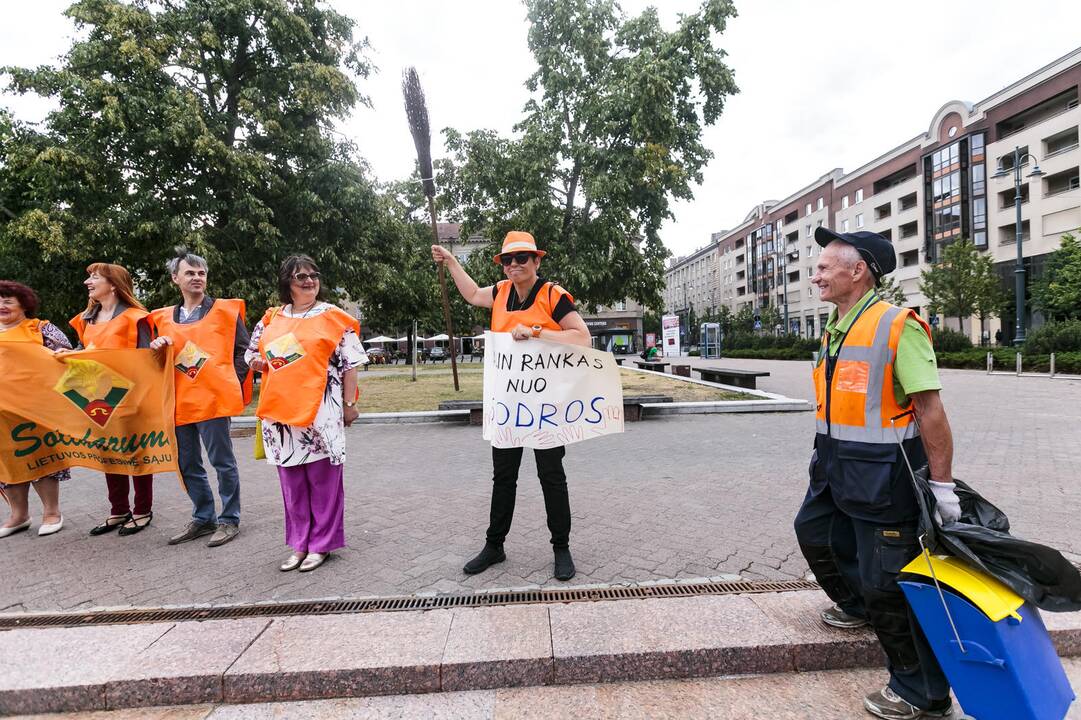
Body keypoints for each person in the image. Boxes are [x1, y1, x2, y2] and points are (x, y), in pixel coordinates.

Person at [794, 227, 961, 720]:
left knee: (888, 582)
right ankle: (859, 605)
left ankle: (921, 692)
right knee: (815, 533)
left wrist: (943, 486)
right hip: (835, 467)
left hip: (884, 478)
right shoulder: (836, 328)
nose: (816, 274)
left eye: (825, 267)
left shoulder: (897, 326)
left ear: (858, 270)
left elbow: (930, 409)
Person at [431, 231, 591, 581]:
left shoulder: (553, 296)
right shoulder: (501, 293)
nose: (514, 265)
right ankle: (494, 545)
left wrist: (535, 332)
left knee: (552, 477)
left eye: (522, 258)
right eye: (508, 260)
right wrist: (453, 262)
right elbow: (473, 294)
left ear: (537, 261)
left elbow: (582, 337)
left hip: (546, 406)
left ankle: (561, 547)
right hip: (508, 405)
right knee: (503, 478)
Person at [246, 255, 365, 573]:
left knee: (323, 482)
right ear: (287, 282)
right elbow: (251, 353)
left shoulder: (333, 317)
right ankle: (299, 544)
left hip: (322, 410)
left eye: (314, 275)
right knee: (292, 484)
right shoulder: (271, 318)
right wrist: (256, 363)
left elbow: (351, 364)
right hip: (281, 412)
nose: (309, 281)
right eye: (301, 276)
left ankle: (321, 544)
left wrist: (350, 404)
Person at [148, 249, 251, 548]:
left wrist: (229, 381)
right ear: (175, 279)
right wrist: (156, 350)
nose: (197, 278)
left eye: (201, 273)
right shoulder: (163, 318)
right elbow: (155, 363)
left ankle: (229, 519)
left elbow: (243, 352)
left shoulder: (225, 311)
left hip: (213, 401)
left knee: (222, 462)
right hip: (179, 402)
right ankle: (204, 516)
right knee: (187, 463)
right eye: (190, 273)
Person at [68, 263, 155, 537]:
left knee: (136, 451)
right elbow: (82, 352)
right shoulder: (85, 319)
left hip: (129, 395)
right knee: (109, 453)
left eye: (94, 277)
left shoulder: (136, 317)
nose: (87, 282)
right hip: (96, 396)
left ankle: (142, 510)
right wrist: (67, 354)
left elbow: (146, 359)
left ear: (114, 284)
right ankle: (118, 510)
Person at [0, 281, 71, 538]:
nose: (2, 305)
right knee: (7, 463)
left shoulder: (41, 328)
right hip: (1, 415)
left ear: (23, 303)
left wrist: (63, 356)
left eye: (8, 300)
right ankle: (19, 515)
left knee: (43, 458)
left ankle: (52, 512)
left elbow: (68, 358)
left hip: (37, 409)